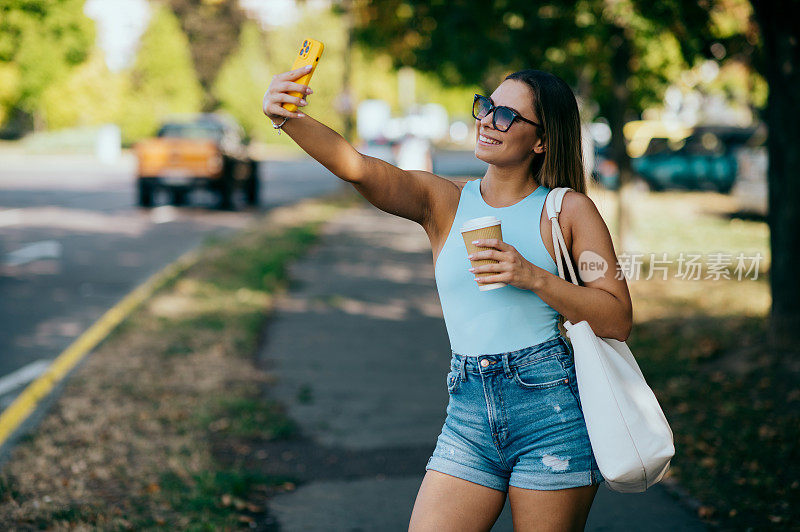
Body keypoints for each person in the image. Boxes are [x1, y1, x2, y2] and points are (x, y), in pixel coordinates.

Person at [263, 66, 633, 531]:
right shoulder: (444, 201)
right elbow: (357, 166)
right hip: (469, 414)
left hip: (551, 413)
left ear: (541, 140)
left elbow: (617, 318)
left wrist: (534, 277)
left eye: (506, 115)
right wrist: (287, 116)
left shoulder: (568, 210)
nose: (487, 120)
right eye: (486, 106)